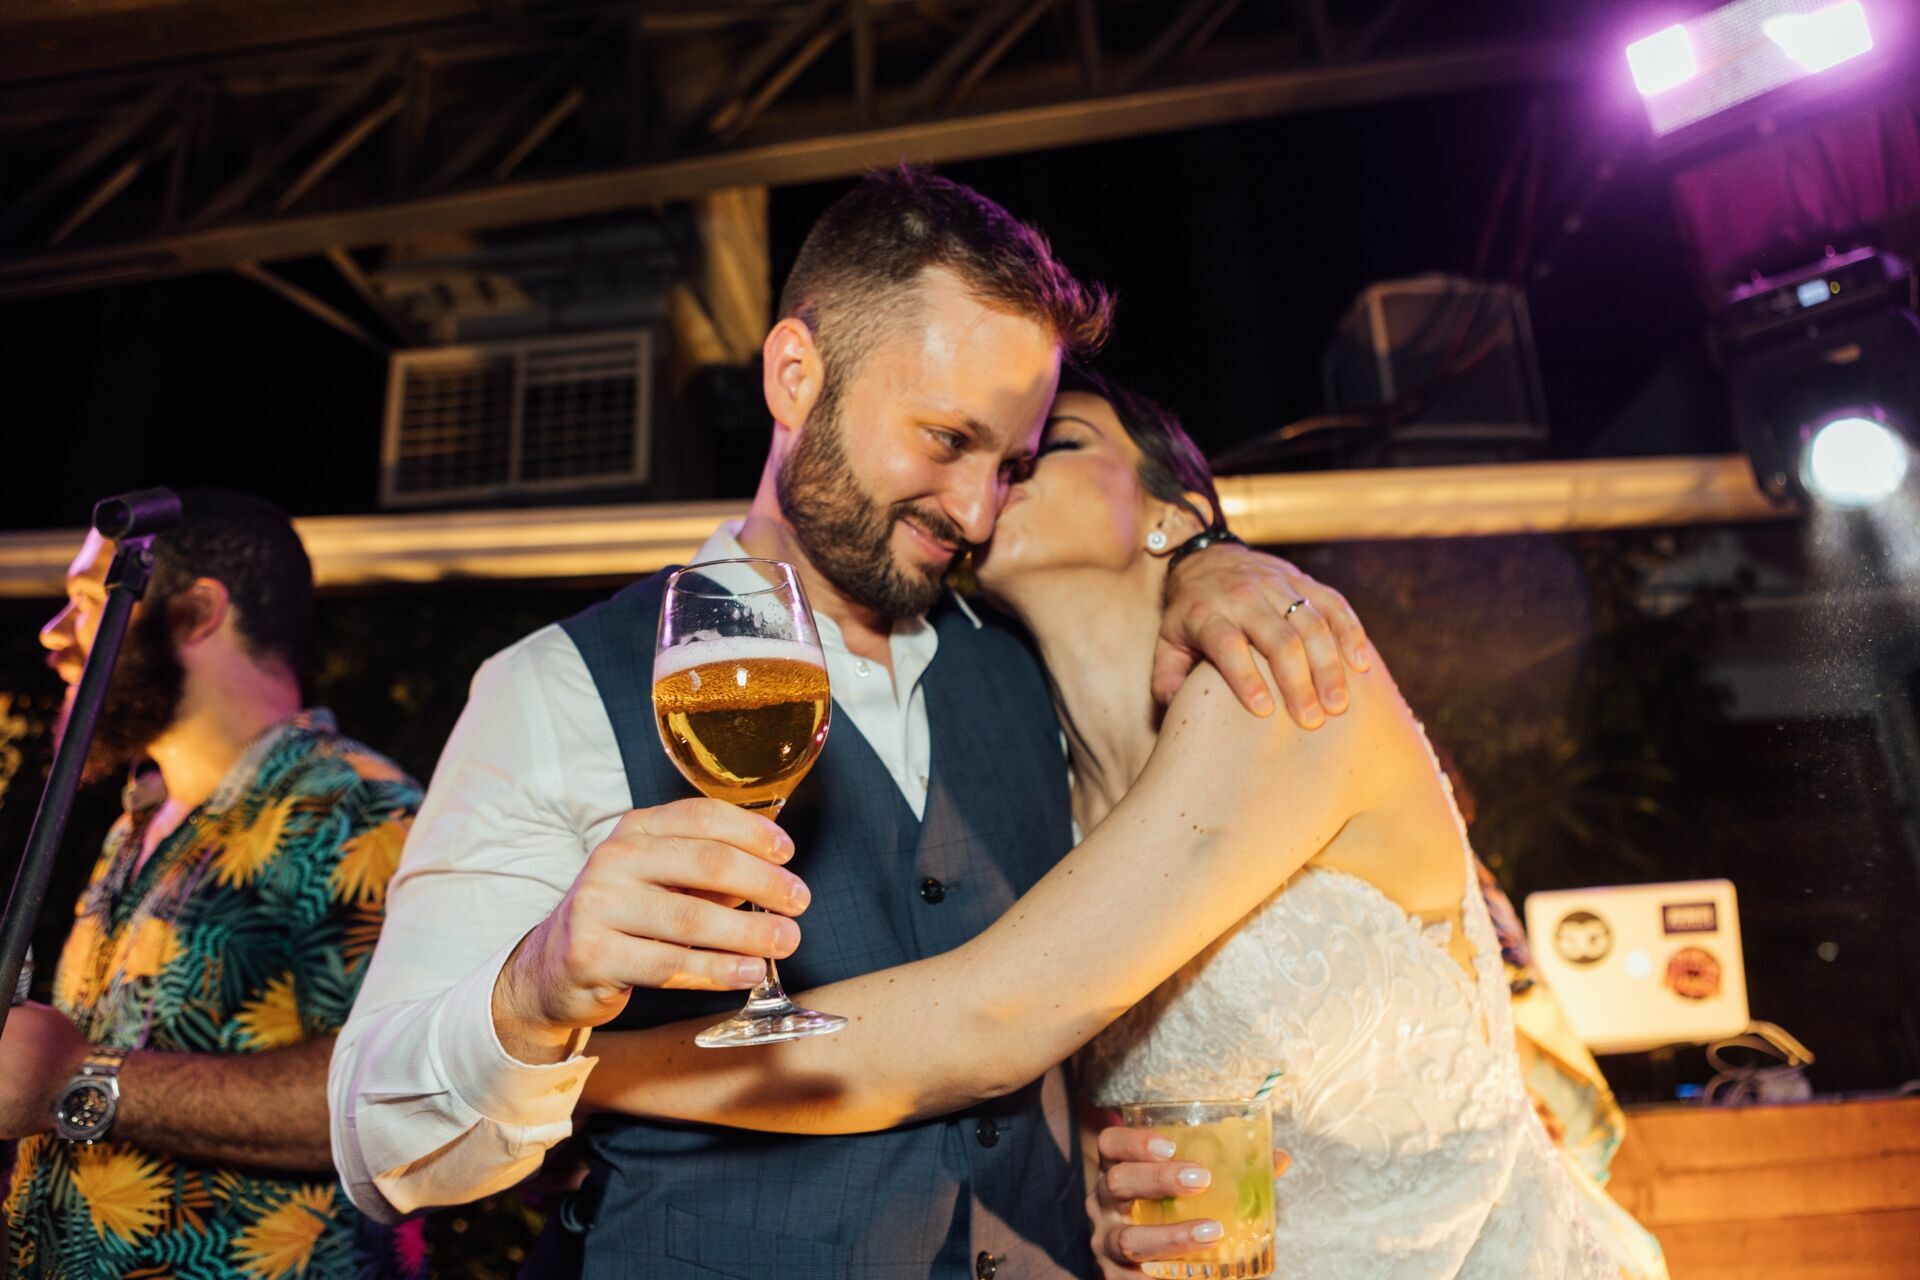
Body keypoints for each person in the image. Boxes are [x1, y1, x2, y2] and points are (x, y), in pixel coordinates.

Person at [329, 167, 1368, 1278]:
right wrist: (533, 993)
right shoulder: (556, 687)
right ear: (794, 374)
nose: (976, 511)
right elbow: (378, 1144)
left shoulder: (1028, 662)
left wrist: (1214, 558)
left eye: (1011, 464)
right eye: (944, 438)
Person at [575, 369, 1621, 1278]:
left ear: (1171, 511)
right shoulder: (1048, 808)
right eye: (989, 455)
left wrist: (583, 1068)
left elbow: (988, 1018)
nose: (1004, 471)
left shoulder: (1275, 677)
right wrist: (1121, 1241)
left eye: (1053, 445)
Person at [1, 490, 427, 1278]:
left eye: (90, 603)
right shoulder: (140, 818)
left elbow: (404, 1096)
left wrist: (75, 1077)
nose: (53, 633)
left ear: (196, 614)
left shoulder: (356, 808)